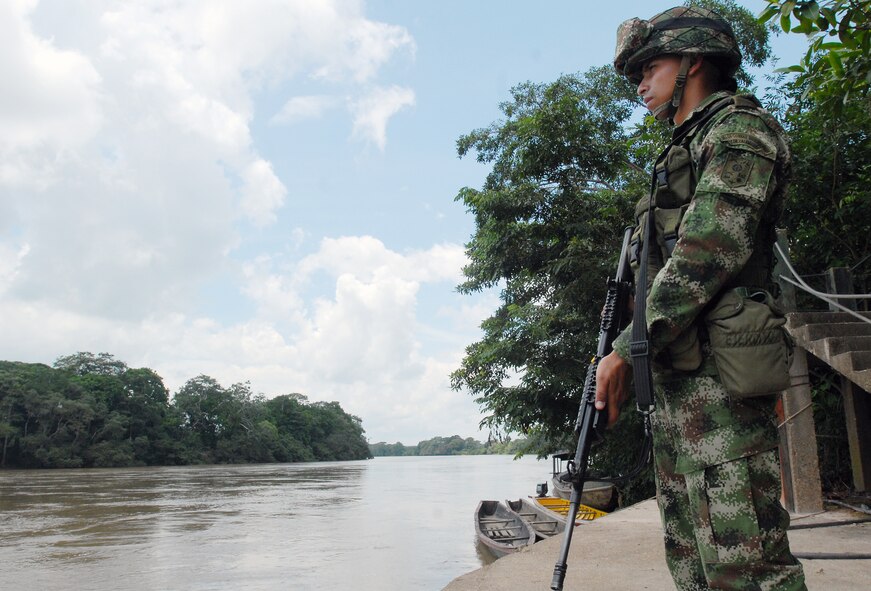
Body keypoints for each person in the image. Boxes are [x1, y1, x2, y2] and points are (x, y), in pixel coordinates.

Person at [595, 6, 807, 590]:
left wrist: (621, 352)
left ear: (693, 62)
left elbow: (705, 256)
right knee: (692, 560)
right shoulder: (681, 148)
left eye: (649, 66)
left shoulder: (739, 133)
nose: (640, 83)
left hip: (723, 383)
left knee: (747, 566)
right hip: (680, 383)